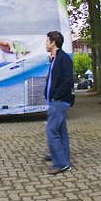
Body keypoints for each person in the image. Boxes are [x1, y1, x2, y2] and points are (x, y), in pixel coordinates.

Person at [44, 31, 74, 174]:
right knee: (61, 132)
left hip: (59, 101)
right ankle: (64, 160)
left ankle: (61, 163)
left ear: (53, 43)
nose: (45, 44)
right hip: (56, 101)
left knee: (51, 130)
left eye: (47, 41)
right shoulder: (55, 59)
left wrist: (56, 96)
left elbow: (68, 80)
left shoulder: (64, 58)